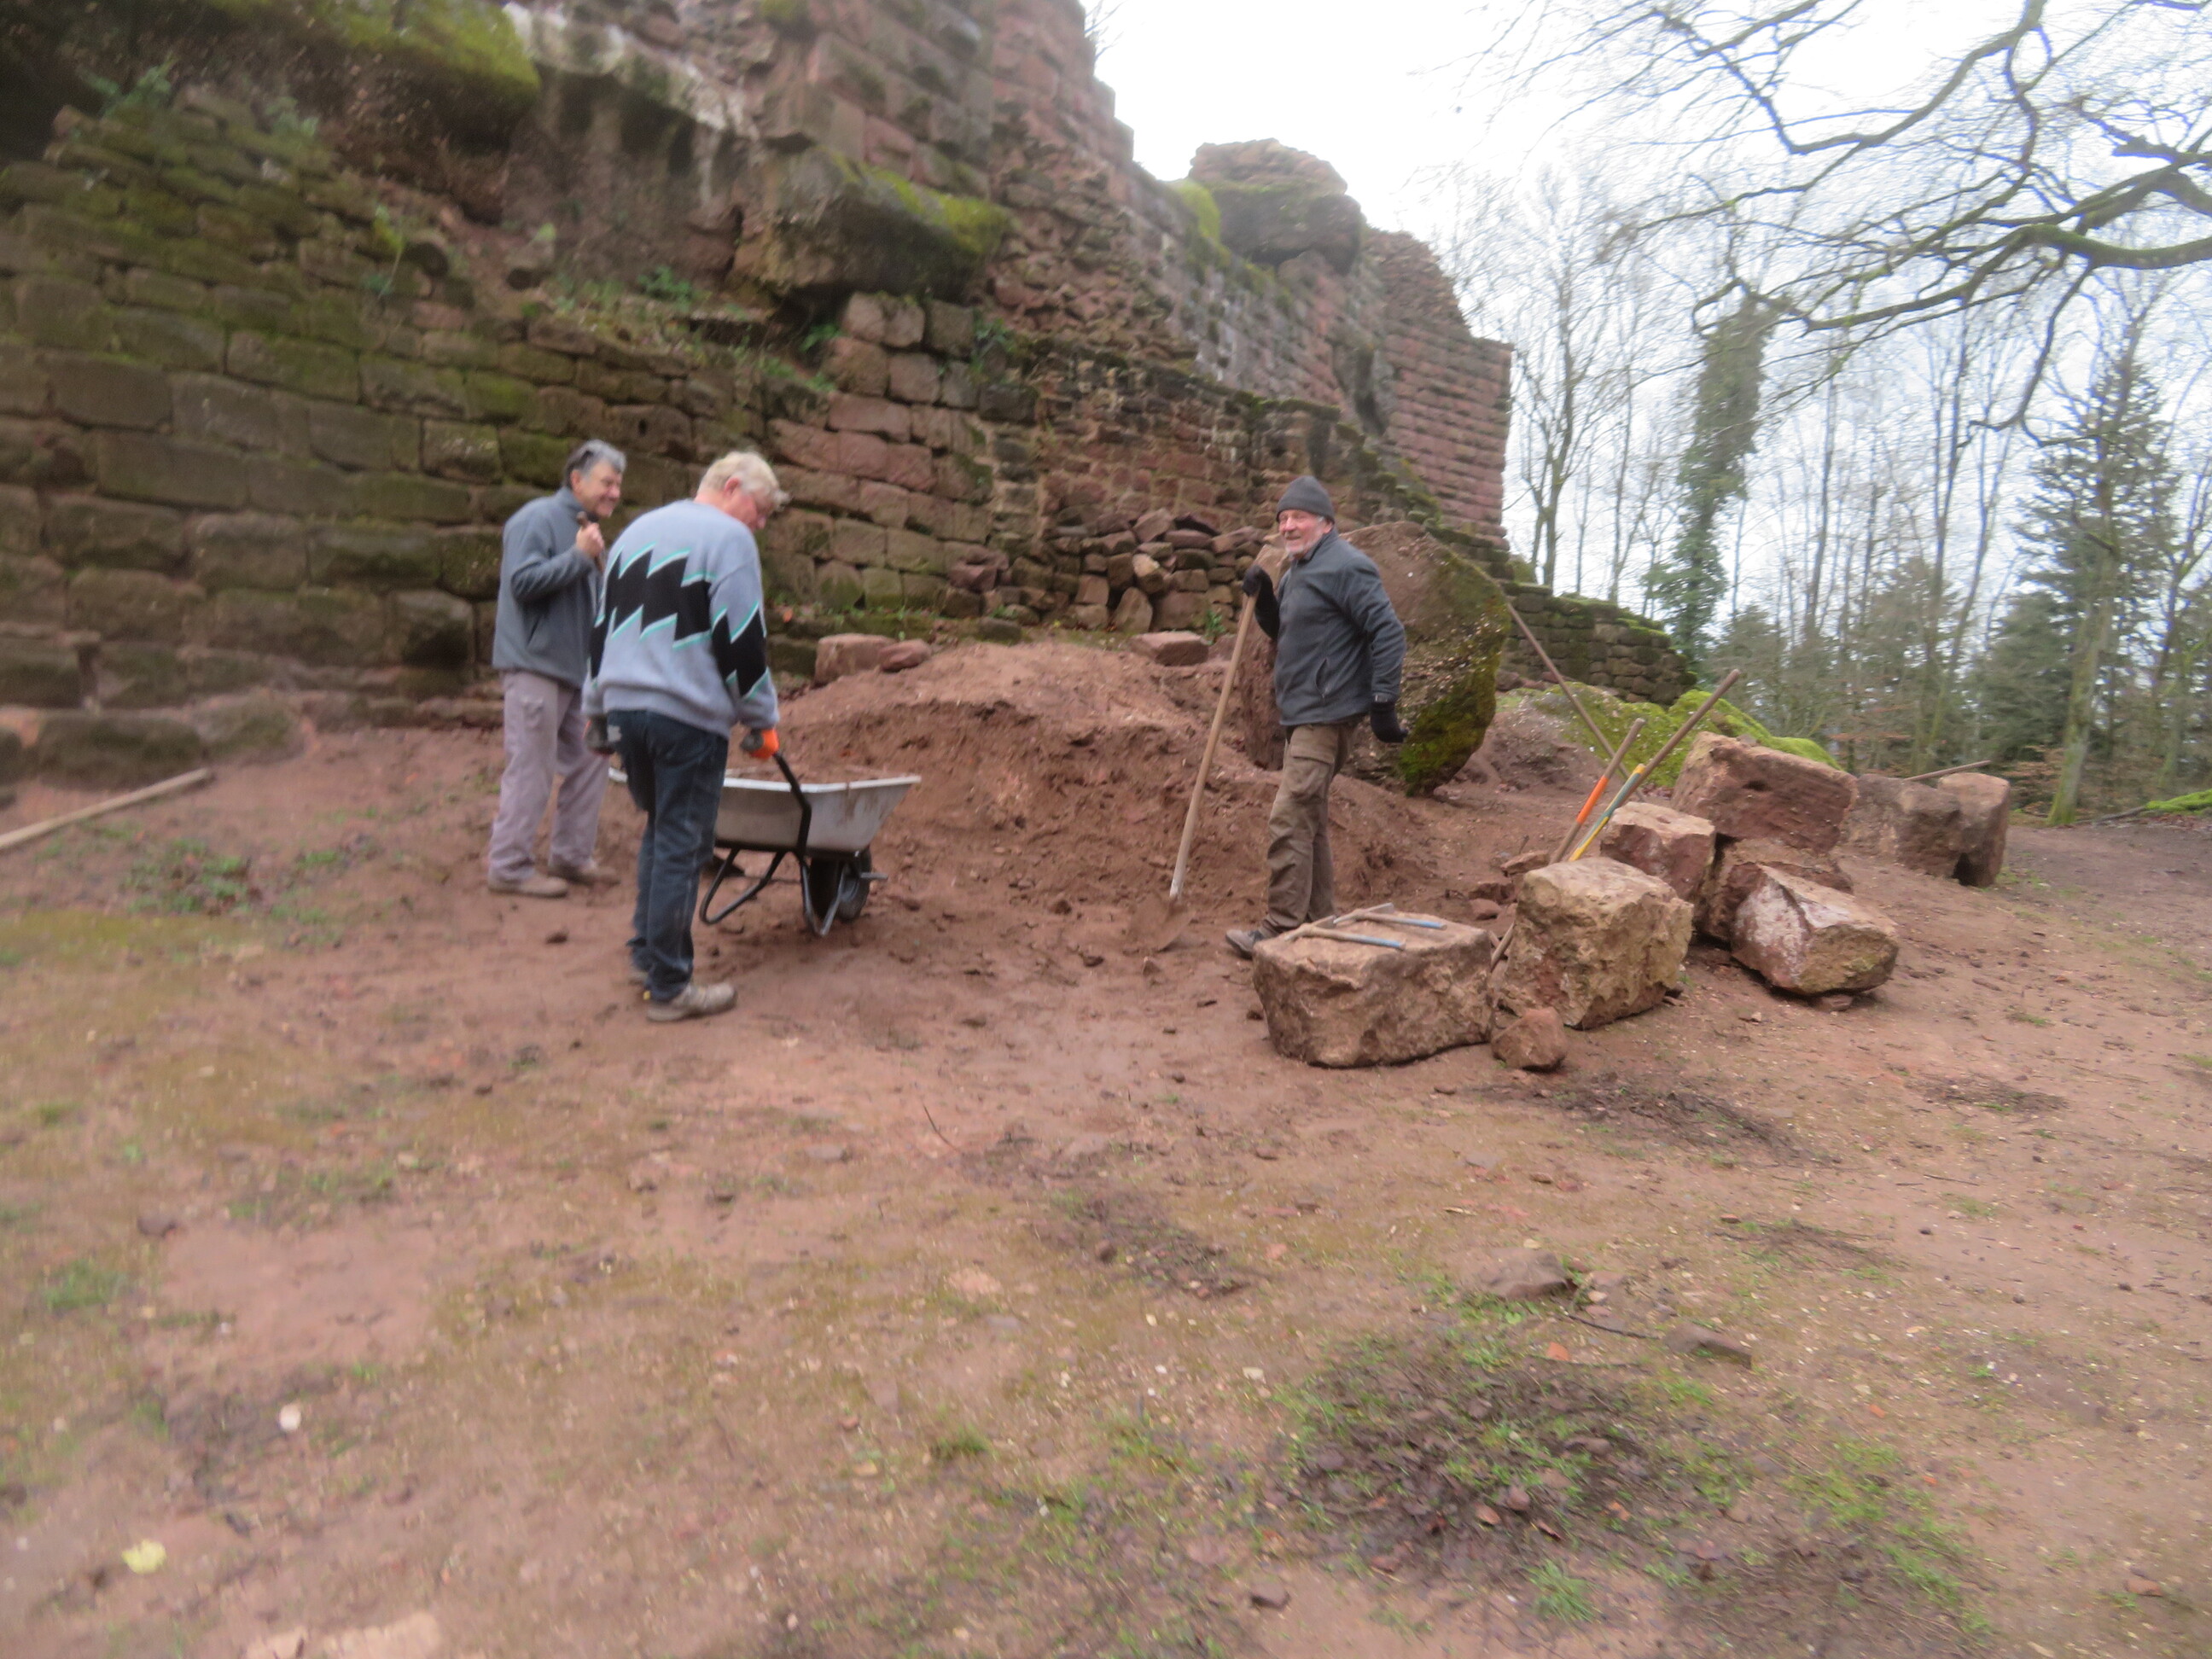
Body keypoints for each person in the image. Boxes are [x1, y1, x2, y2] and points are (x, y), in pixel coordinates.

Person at [584, 450, 787, 1022]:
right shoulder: (728, 539)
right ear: (731, 486)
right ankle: (671, 986)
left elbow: (602, 631)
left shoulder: (635, 533)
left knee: (662, 829)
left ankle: (647, 955)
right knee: (681, 840)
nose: (760, 524)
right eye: (760, 509)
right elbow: (742, 639)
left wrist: (596, 711)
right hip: (685, 715)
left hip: (625, 709)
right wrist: (761, 718)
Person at [1225, 475, 1408, 958]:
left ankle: (1279, 926)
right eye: (1283, 518)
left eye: (1299, 517)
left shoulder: (1347, 566)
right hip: (1302, 712)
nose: (1288, 525)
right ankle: (1318, 918)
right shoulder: (1298, 570)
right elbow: (1284, 630)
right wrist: (1266, 597)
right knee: (1310, 819)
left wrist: (1383, 703)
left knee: (1289, 817)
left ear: (1326, 524)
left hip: (1326, 716)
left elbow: (1388, 631)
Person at [485, 439, 626, 897]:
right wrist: (578, 557)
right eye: (607, 482)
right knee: (531, 766)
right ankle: (508, 867)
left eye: (618, 485)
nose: (615, 492)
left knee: (593, 757)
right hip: (534, 669)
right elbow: (522, 583)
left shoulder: (587, 531)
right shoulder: (536, 519)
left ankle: (570, 856)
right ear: (577, 480)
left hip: (576, 675)